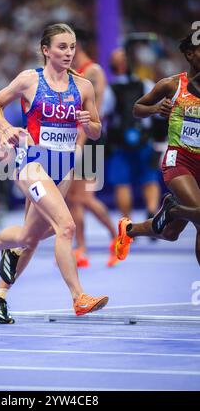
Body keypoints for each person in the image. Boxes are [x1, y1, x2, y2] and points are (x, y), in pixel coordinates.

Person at [0, 23, 109, 323]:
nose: (68, 52)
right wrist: (6, 129)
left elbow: (96, 131)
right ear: (46, 50)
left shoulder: (83, 86)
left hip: (64, 168)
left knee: (29, 238)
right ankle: (78, 297)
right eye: (61, 47)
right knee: (65, 227)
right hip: (33, 163)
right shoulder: (30, 79)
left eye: (71, 47)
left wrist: (88, 122)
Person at [115, 32, 200, 266]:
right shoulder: (172, 84)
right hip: (180, 160)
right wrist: (155, 110)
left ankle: (129, 229)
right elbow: (137, 108)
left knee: (170, 234)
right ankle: (171, 209)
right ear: (190, 54)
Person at [67, 29, 118, 268]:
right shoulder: (69, 73)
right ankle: (81, 248)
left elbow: (93, 114)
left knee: (85, 198)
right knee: (73, 199)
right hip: (72, 139)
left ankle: (117, 237)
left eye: (68, 47)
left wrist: (81, 142)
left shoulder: (93, 71)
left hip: (89, 139)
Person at [105, 48, 161, 220]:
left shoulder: (110, 90)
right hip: (144, 138)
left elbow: (102, 112)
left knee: (122, 183)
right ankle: (152, 213)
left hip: (120, 142)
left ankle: (127, 222)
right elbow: (160, 112)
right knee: (149, 179)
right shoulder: (146, 84)